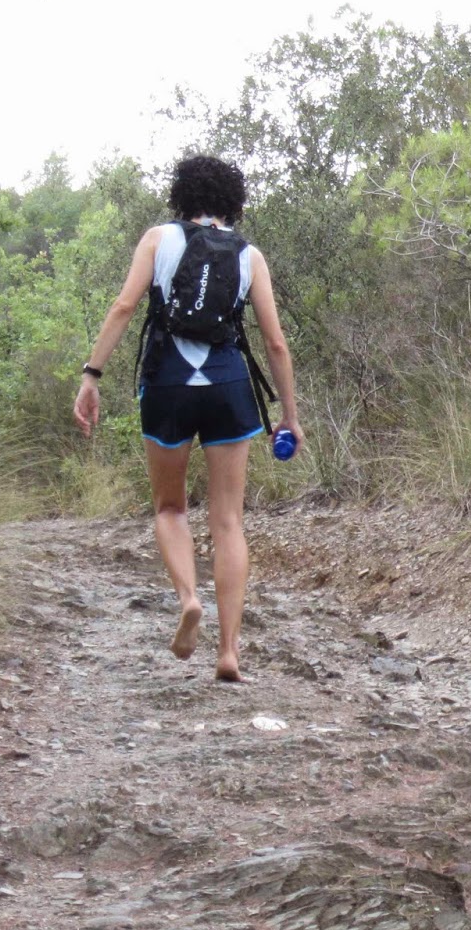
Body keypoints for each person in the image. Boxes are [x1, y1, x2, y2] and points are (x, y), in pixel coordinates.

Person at [72, 155, 301, 683]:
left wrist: (91, 376)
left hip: (168, 385)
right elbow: (275, 343)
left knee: (171, 508)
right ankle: (228, 654)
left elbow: (124, 307)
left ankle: (188, 598)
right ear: (232, 201)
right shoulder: (250, 255)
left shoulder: (158, 239)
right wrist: (288, 415)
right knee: (228, 522)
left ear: (181, 195)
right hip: (228, 388)